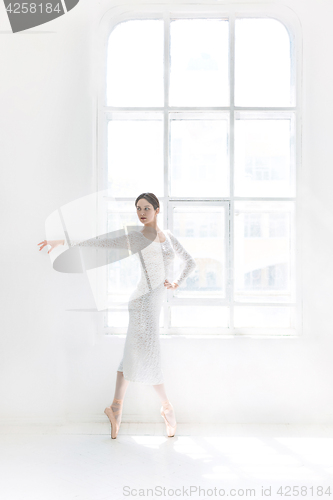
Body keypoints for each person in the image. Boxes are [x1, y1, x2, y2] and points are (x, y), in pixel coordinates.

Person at [38, 192, 196, 439]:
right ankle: (166, 407)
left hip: (154, 303)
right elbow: (101, 242)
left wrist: (177, 282)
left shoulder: (169, 238)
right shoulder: (137, 236)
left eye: (146, 208)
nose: (142, 213)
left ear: (157, 210)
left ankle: (116, 409)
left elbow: (190, 262)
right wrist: (63, 241)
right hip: (142, 302)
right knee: (149, 357)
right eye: (138, 209)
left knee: (130, 357)